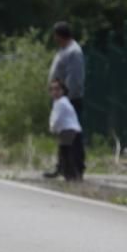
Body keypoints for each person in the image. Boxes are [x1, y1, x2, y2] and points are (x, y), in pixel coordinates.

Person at [47, 21, 86, 180]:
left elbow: (74, 78)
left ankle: (76, 168)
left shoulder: (74, 52)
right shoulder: (64, 50)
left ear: (59, 35)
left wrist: (66, 98)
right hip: (61, 100)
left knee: (73, 136)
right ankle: (63, 167)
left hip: (70, 101)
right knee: (64, 137)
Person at [45, 79, 82, 181]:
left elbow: (57, 118)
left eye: (57, 89)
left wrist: (52, 128)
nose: (54, 92)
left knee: (65, 153)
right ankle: (64, 172)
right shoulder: (62, 101)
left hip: (67, 130)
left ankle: (69, 174)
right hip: (70, 130)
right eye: (52, 89)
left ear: (62, 90)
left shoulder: (61, 103)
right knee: (65, 152)